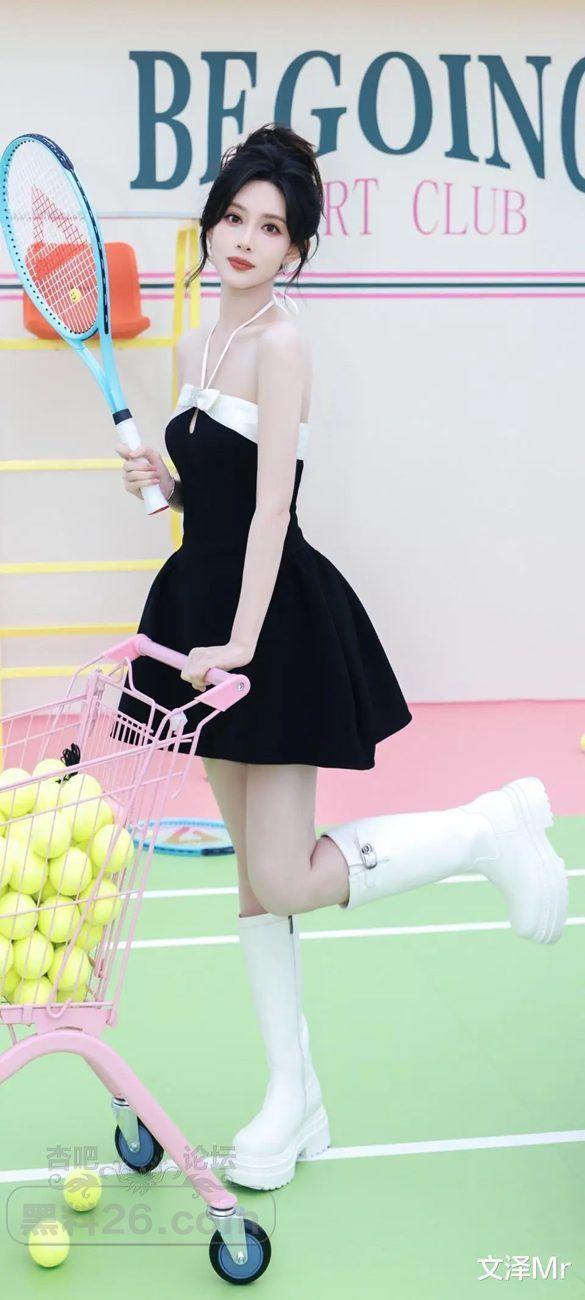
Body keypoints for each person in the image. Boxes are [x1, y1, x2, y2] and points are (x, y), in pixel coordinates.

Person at [113, 123, 568, 1193]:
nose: (245, 239)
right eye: (234, 217)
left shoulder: (284, 344)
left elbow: (272, 509)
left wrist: (242, 641)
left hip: (266, 620)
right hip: (202, 608)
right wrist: (156, 482)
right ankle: (295, 1096)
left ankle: (482, 830)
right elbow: (208, 500)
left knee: (284, 870)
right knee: (255, 879)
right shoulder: (194, 344)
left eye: (271, 228)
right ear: (212, 221)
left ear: (297, 250)